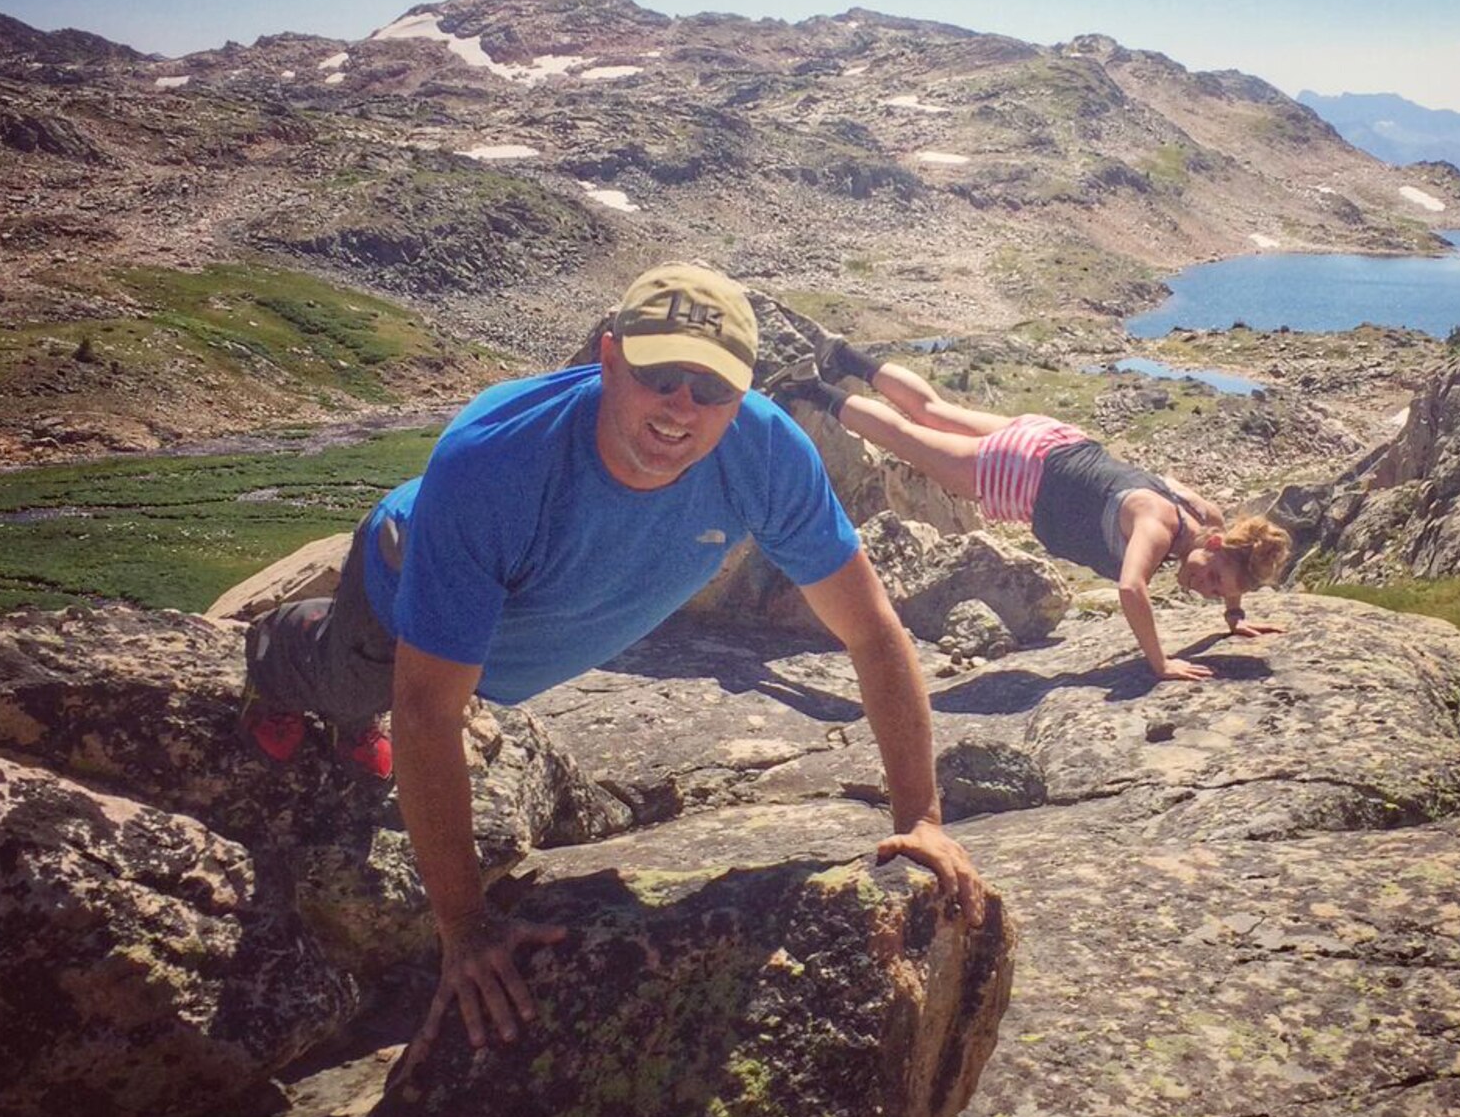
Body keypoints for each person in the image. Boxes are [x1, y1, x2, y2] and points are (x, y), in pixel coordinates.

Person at [237, 264, 984, 1073]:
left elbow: (873, 635)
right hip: (399, 590)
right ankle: (274, 653)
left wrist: (921, 820)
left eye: (711, 387)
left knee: (428, 696)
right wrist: (467, 926)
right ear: (607, 358)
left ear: (741, 396)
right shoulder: (493, 461)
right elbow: (425, 710)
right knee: (357, 684)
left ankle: (351, 711)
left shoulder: (766, 453)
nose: (681, 407)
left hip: (512, 638)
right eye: (659, 375)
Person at [772, 337, 1291, 681]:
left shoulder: (1211, 520)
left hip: (1054, 439)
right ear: (1217, 547)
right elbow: (1132, 589)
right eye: (1215, 578)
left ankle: (846, 359)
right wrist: (1162, 663)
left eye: (1219, 590)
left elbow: (1228, 567)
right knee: (911, 439)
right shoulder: (1156, 528)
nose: (1208, 588)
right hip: (1023, 471)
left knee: (933, 411)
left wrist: (1235, 615)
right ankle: (808, 388)